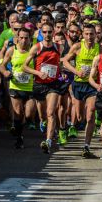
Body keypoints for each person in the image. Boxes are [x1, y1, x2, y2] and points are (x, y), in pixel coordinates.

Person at [21, 22, 64, 154]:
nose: (47, 35)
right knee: (43, 114)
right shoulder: (36, 47)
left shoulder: (59, 47)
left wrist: (61, 72)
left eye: (49, 32)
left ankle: (48, 141)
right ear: (41, 33)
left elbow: (60, 63)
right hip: (39, 84)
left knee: (51, 112)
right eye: (44, 32)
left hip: (53, 84)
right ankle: (42, 120)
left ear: (53, 33)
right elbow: (24, 66)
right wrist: (39, 73)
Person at [64, 24, 102, 158]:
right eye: (86, 34)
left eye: (92, 34)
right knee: (80, 117)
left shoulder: (99, 48)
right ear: (82, 35)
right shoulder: (77, 47)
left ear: (96, 35)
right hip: (78, 84)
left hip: (92, 85)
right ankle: (78, 122)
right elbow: (65, 62)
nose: (89, 37)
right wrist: (76, 71)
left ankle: (86, 145)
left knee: (90, 115)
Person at [0, 27, 34, 149]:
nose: (24, 40)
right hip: (15, 86)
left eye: (26, 38)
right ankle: (19, 138)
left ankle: (22, 126)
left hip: (30, 87)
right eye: (21, 38)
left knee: (28, 115)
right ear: (17, 38)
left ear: (30, 38)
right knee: (18, 113)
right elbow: (1, 66)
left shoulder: (34, 50)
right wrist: (5, 72)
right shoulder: (12, 50)